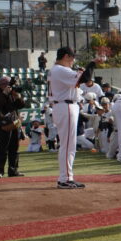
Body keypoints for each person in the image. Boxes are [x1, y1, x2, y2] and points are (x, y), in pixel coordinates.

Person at [47, 46, 94, 189]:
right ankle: (65, 178)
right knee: (68, 145)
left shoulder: (55, 70)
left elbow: (82, 80)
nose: (73, 60)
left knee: (69, 144)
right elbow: (86, 78)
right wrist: (92, 63)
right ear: (66, 56)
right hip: (65, 106)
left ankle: (66, 177)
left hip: (63, 106)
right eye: (72, 57)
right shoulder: (60, 69)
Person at [0, 75, 26, 178]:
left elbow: (21, 105)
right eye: (5, 84)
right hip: (3, 124)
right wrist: (4, 93)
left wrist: (18, 96)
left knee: (15, 148)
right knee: (2, 148)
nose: (8, 87)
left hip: (15, 122)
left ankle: (13, 170)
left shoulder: (13, 93)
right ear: (0, 85)